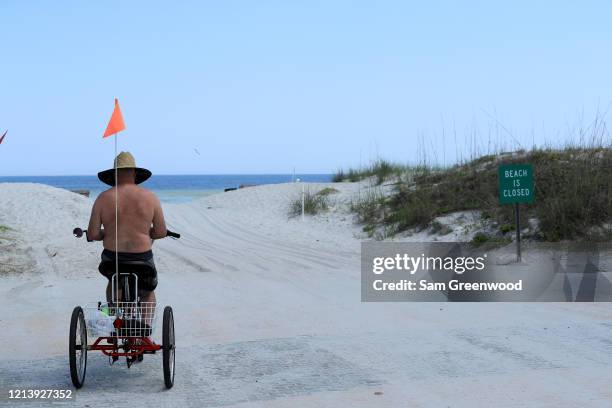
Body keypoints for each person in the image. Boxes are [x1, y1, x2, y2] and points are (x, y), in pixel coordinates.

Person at [87, 151, 167, 306]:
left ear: (114, 175)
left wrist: (105, 233)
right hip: (141, 258)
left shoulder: (103, 197)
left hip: (112, 259)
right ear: (135, 173)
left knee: (113, 280)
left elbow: (92, 233)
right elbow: (160, 232)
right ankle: (145, 326)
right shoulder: (150, 197)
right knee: (147, 292)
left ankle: (113, 313)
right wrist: (145, 232)